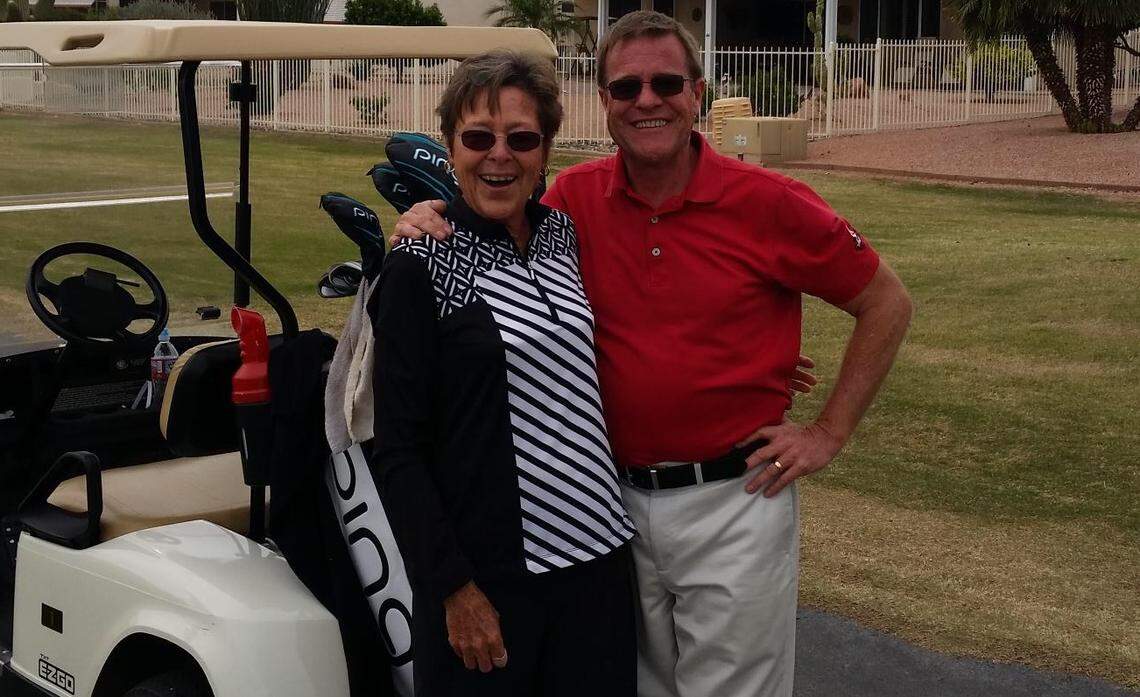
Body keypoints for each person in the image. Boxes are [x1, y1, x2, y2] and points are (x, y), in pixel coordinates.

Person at [393, 11, 913, 697]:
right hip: (619, 512)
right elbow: (496, 210)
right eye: (626, 87)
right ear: (604, 103)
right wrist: (418, 224)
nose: (647, 100)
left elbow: (887, 302)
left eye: (665, 83)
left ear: (697, 92)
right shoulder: (572, 204)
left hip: (735, 499)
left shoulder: (768, 201)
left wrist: (827, 431)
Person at [369, 50, 639, 696]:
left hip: (597, 569)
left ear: (545, 152)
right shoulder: (419, 264)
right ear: (450, 147)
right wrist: (452, 587)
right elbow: (397, 450)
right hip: (490, 585)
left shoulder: (562, 238)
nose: (499, 156)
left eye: (521, 138)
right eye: (478, 138)